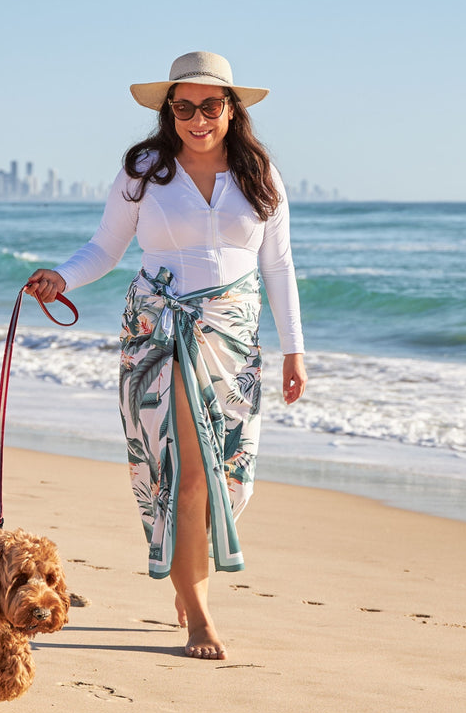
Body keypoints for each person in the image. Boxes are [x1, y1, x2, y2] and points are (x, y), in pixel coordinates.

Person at [26, 51, 306, 660]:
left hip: (234, 339)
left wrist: (294, 350)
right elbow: (104, 248)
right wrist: (61, 279)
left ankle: (190, 568)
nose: (197, 118)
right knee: (187, 469)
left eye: (210, 105)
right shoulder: (145, 169)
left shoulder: (261, 175)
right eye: (184, 107)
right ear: (169, 111)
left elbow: (278, 266)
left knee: (229, 472)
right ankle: (200, 614)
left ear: (232, 110)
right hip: (161, 332)